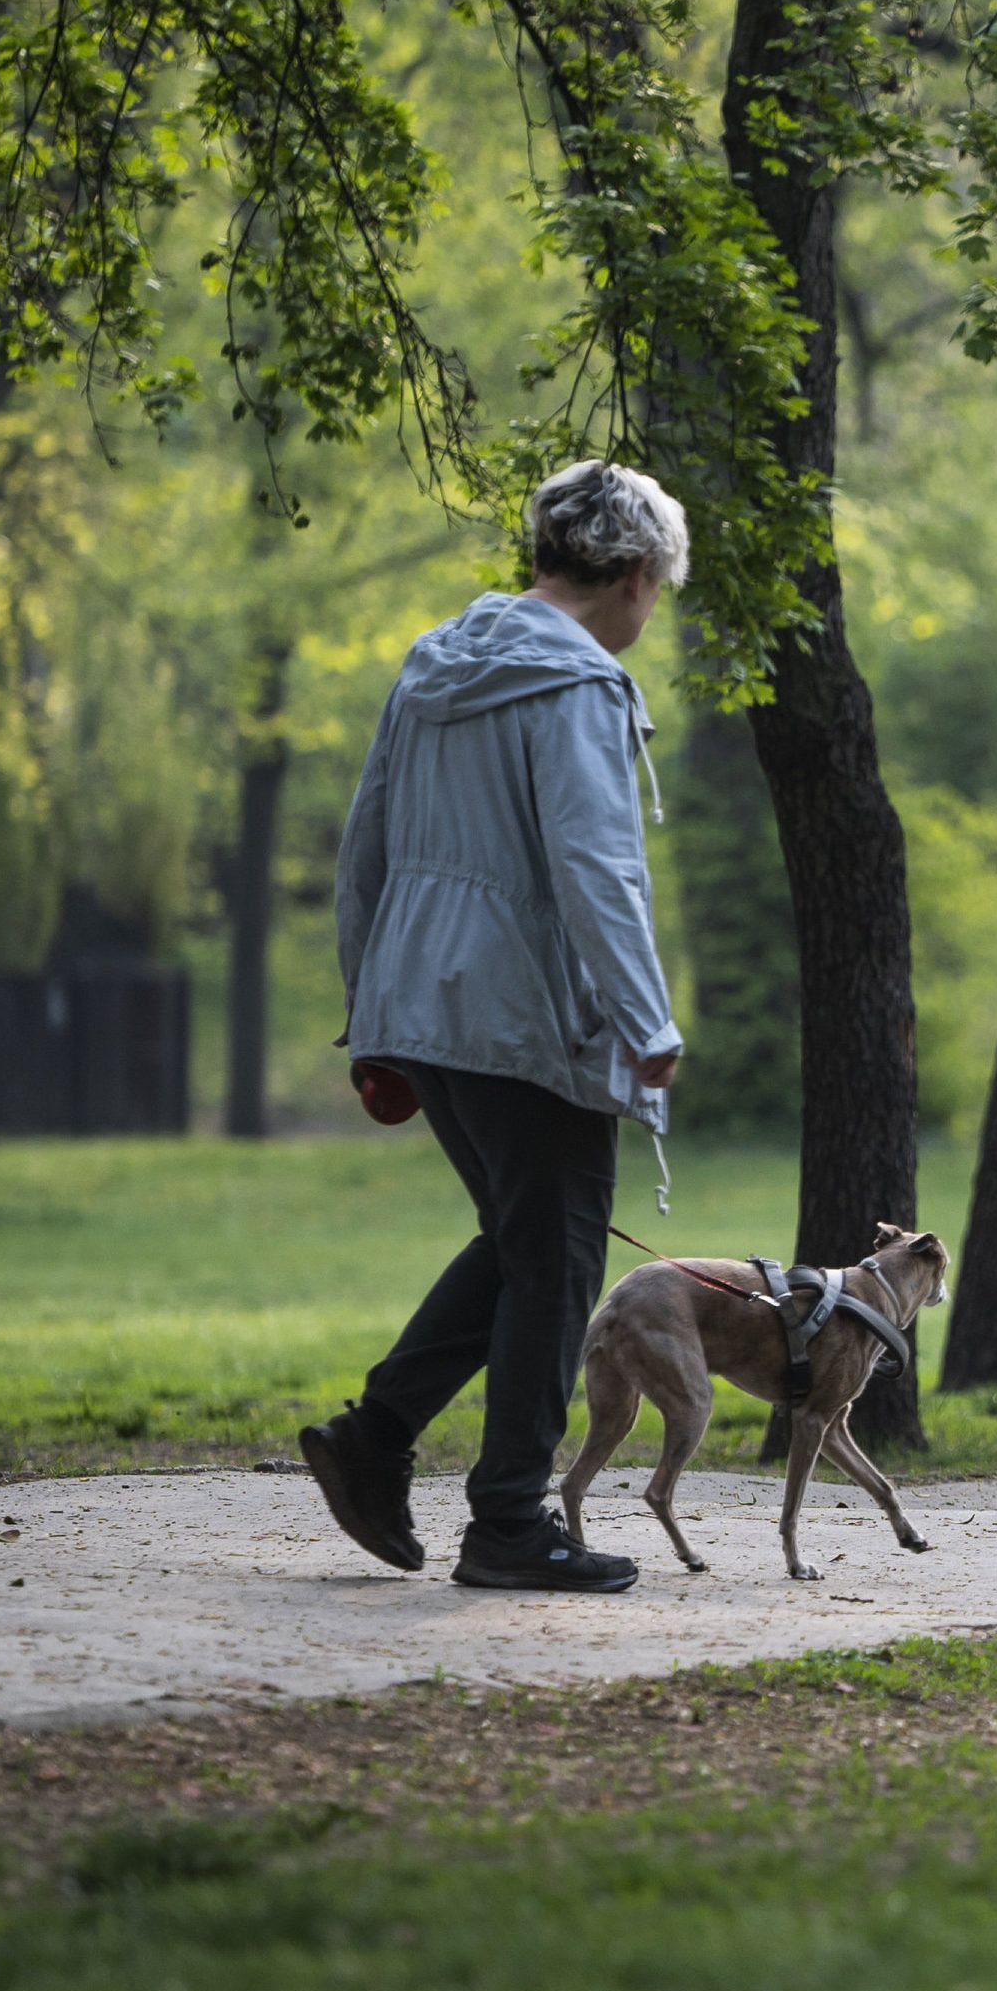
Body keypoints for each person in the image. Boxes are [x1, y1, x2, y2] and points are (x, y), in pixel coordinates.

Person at [297, 460, 691, 1593]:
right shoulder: (576, 687)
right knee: (558, 1263)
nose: (648, 613)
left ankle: (376, 1437)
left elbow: (364, 840)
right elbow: (597, 865)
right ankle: (511, 1523)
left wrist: (372, 1004)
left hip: (425, 1002)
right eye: (655, 587)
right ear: (625, 572)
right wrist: (643, 1016)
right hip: (529, 1018)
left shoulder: (436, 663)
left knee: (526, 1245)